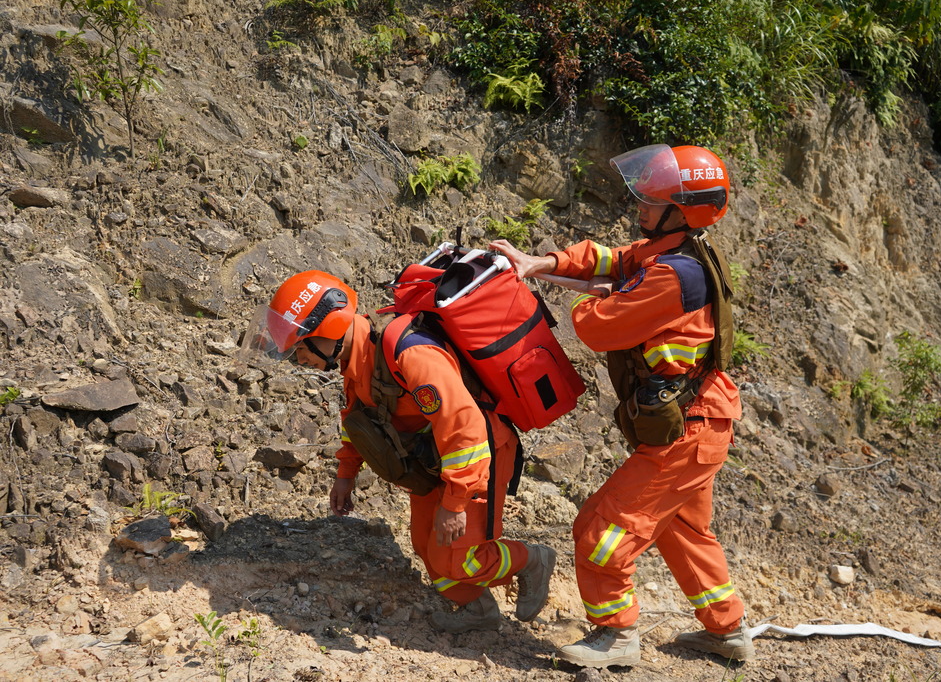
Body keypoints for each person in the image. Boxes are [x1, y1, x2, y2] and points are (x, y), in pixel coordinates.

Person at [491, 144, 753, 667]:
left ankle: (615, 633)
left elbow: (597, 326)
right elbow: (608, 259)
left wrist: (596, 294)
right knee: (683, 531)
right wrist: (539, 264)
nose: (640, 207)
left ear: (683, 211)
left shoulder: (675, 274)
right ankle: (728, 632)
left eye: (653, 201)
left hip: (687, 431)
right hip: (701, 422)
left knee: (599, 530)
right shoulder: (669, 252)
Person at [244, 271, 556, 633]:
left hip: (477, 456)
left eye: (300, 348)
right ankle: (478, 609)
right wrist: (346, 474)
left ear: (329, 329)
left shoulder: (409, 355)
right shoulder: (357, 359)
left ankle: (531, 560)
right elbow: (359, 418)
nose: (299, 360)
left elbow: (465, 430)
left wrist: (455, 503)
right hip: (436, 460)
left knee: (459, 559)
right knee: (426, 546)